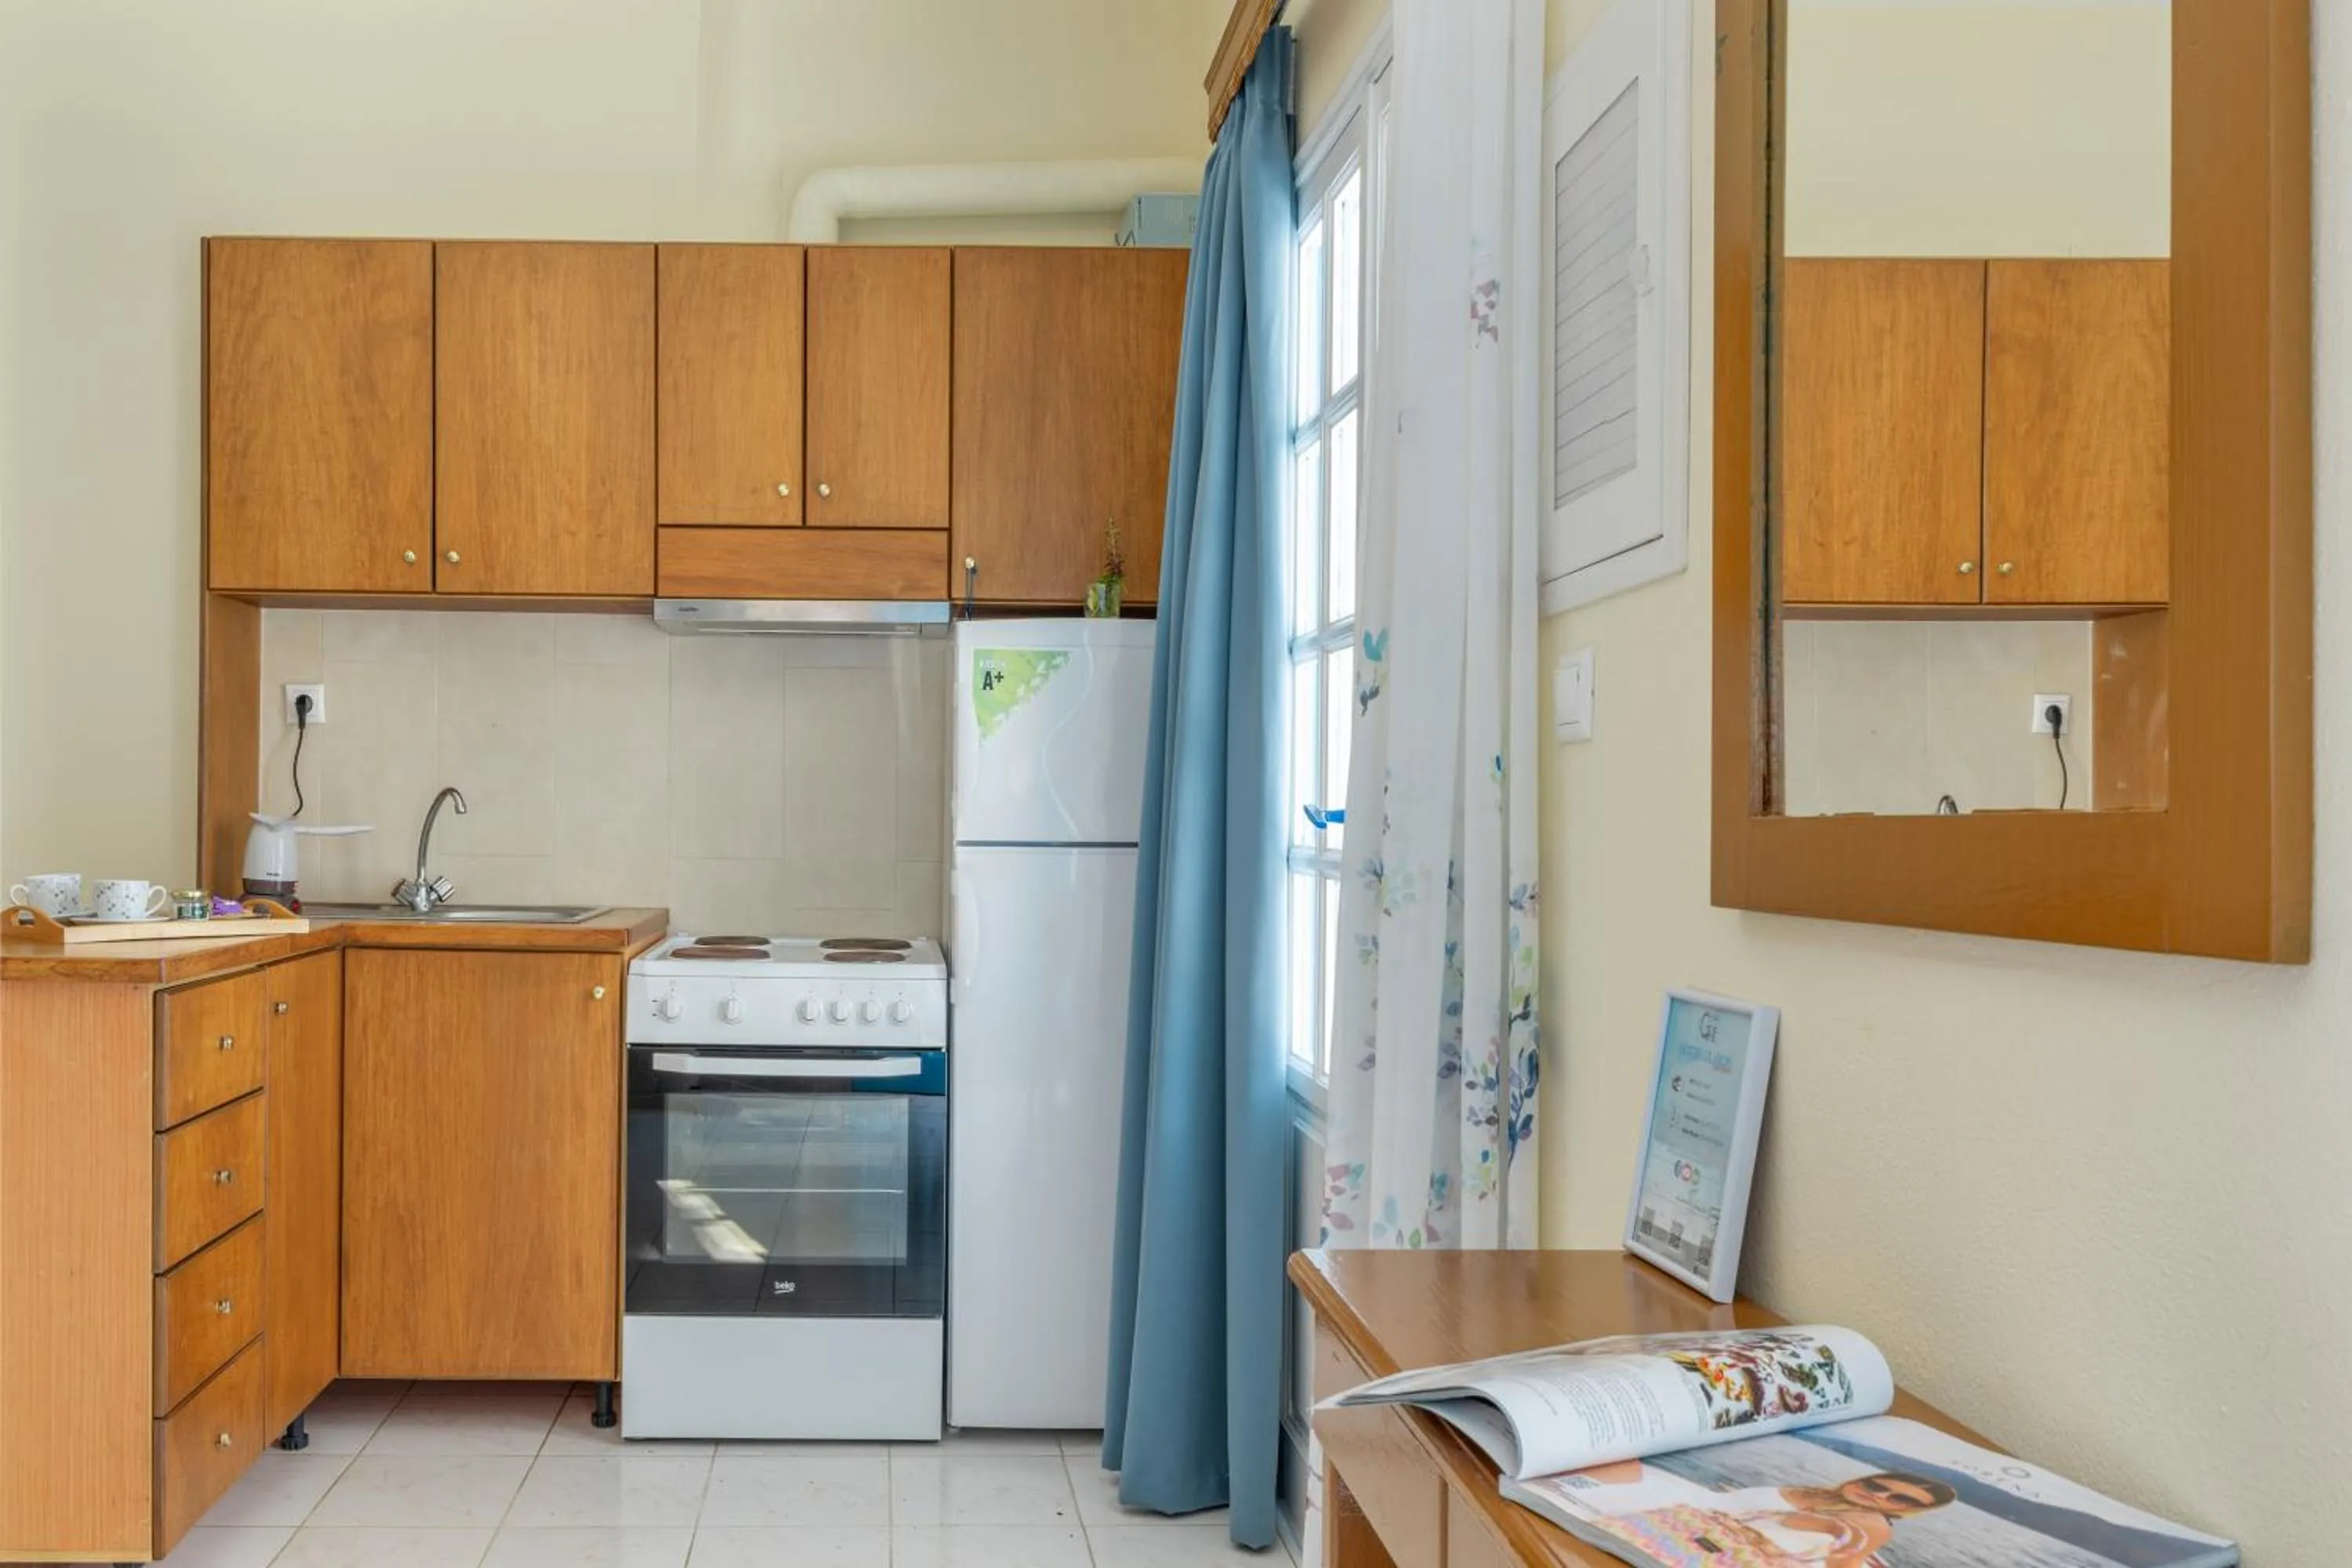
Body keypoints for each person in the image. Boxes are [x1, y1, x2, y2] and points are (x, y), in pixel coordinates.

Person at [1580, 1464, 1958, 1566]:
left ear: (1906, 1512)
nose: (1881, 1496)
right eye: (1878, 1485)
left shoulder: (1869, 1525)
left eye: (1898, 1500)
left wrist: (1826, 1527)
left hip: (1722, 1548)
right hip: (1699, 1521)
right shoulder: (1822, 1493)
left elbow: (1840, 1565)